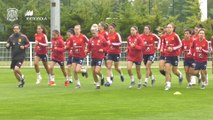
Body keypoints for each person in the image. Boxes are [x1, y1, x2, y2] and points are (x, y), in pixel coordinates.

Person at [163, 23, 182, 90]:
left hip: (175, 55)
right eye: (167, 27)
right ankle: (168, 84)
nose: (168, 28)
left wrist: (173, 48)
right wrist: (165, 49)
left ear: (173, 28)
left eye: (170, 27)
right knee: (167, 70)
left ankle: (180, 74)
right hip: (168, 55)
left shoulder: (175, 35)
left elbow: (180, 44)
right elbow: (164, 44)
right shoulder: (165, 36)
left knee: (174, 70)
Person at [87, 24, 108, 89]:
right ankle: (97, 84)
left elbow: (107, 46)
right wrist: (86, 51)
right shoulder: (91, 40)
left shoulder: (102, 38)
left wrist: (103, 50)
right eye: (92, 33)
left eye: (94, 33)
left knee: (96, 71)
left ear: (97, 32)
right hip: (93, 57)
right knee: (93, 72)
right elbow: (89, 48)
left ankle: (101, 76)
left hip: (100, 57)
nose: (93, 34)